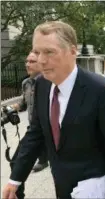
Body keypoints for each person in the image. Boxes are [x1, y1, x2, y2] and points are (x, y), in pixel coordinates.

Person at [2, 21, 105, 199]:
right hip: (61, 184)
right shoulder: (41, 84)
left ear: (72, 51)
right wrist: (15, 179)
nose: (41, 60)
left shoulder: (101, 90)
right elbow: (36, 134)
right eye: (37, 52)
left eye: (49, 52)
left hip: (94, 188)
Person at [8, 52, 48, 199]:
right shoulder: (26, 83)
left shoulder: (48, 83)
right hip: (34, 133)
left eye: (32, 61)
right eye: (27, 61)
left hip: (49, 133)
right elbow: (24, 104)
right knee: (15, 163)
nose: (27, 64)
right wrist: (11, 109)